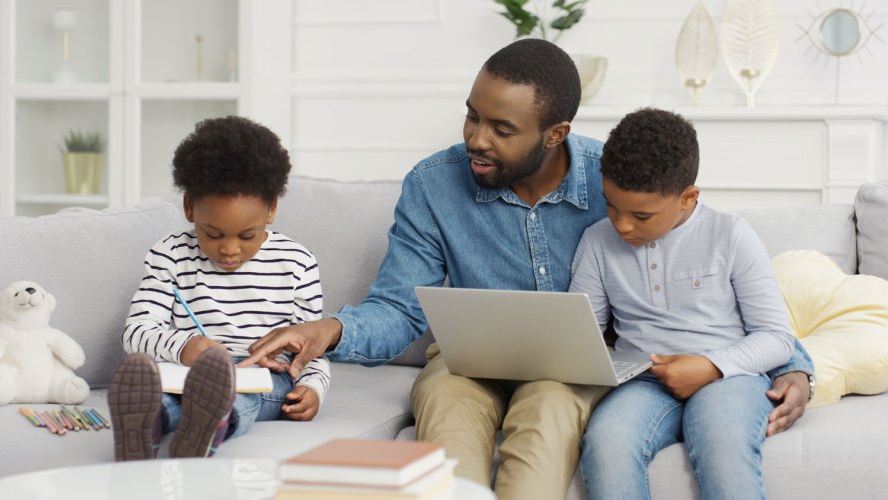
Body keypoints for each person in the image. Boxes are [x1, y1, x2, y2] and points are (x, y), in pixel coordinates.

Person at [240, 40, 814, 499]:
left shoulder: (612, 182)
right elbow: (398, 306)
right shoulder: (433, 184)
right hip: (464, 364)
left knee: (546, 427)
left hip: (566, 369)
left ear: (555, 134)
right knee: (448, 452)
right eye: (471, 117)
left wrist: (795, 367)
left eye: (501, 129)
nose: (475, 140)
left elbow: (710, 272)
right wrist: (329, 329)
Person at [570, 108, 799, 499]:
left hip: (729, 378)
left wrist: (710, 366)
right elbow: (581, 333)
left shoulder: (731, 236)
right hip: (644, 381)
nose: (622, 225)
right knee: (608, 442)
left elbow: (777, 337)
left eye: (642, 215)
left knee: (723, 442)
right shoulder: (597, 241)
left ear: (687, 197)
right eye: (611, 206)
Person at [108, 116, 330, 461]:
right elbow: (136, 332)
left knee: (243, 396)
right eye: (212, 234)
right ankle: (147, 425)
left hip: (265, 377)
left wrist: (313, 387)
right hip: (191, 374)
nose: (229, 249)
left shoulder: (298, 262)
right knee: (172, 396)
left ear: (272, 209)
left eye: (246, 236)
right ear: (188, 208)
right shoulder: (169, 255)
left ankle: (208, 426)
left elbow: (311, 347)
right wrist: (185, 347)